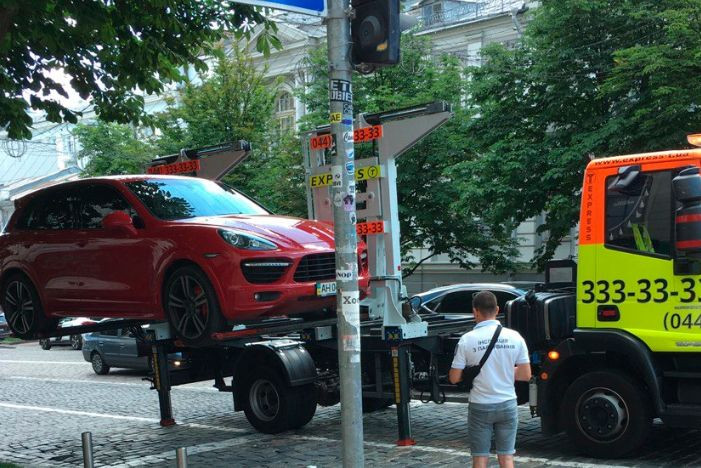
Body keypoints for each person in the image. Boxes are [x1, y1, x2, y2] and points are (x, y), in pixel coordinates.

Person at [449, 290, 532, 468]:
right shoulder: (515, 337)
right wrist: (505, 370)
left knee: (480, 458)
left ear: (475, 312)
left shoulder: (467, 340)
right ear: (497, 309)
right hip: (507, 403)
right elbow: (525, 375)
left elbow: (454, 378)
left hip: (480, 406)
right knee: (507, 457)